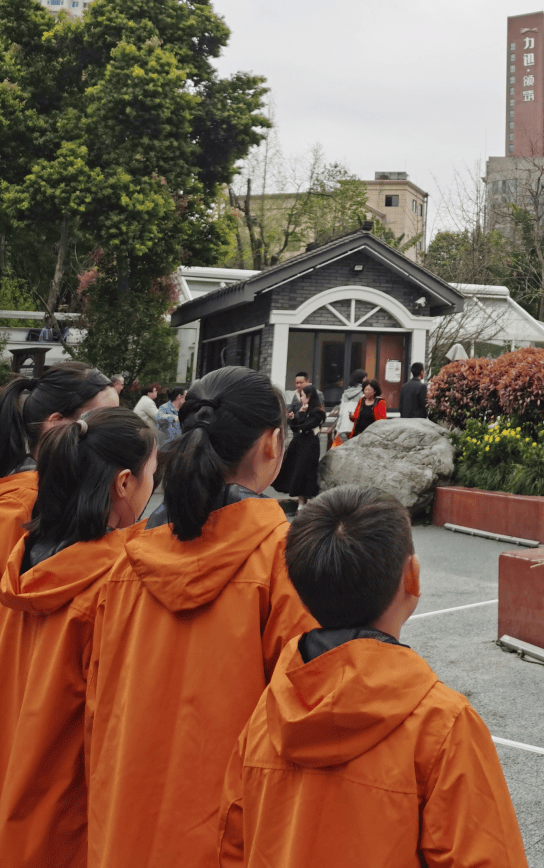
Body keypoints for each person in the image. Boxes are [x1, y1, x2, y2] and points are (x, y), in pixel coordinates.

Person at [218, 486, 529, 867]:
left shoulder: (266, 716)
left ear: (300, 593)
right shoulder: (442, 726)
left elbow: (232, 843)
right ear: (412, 577)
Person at [86, 366, 315, 868]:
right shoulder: (284, 560)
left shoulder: (126, 560)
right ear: (272, 444)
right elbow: (303, 718)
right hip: (228, 835)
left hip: (123, 828)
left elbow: (97, 705)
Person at [0, 408, 157, 868]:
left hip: (16, 795)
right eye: (152, 473)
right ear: (124, 483)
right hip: (69, 817)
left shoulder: (23, 562)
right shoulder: (113, 582)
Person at [0, 364, 120, 567]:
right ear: (56, 423)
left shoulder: (69, 490)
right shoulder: (19, 504)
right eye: (104, 421)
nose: (117, 432)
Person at [272, 383, 325, 506]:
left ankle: (308, 505)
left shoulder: (318, 412)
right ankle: (300, 504)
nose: (301, 399)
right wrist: (293, 418)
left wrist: (299, 416)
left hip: (310, 445)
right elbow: (296, 428)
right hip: (299, 444)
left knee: (306, 472)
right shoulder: (304, 409)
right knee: (295, 471)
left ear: (309, 396)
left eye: (302, 396)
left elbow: (305, 426)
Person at [332, 368, 368, 442]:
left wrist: (338, 429)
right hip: (357, 425)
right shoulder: (364, 393)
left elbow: (341, 412)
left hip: (345, 426)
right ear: (362, 379)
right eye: (365, 377)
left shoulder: (346, 393)